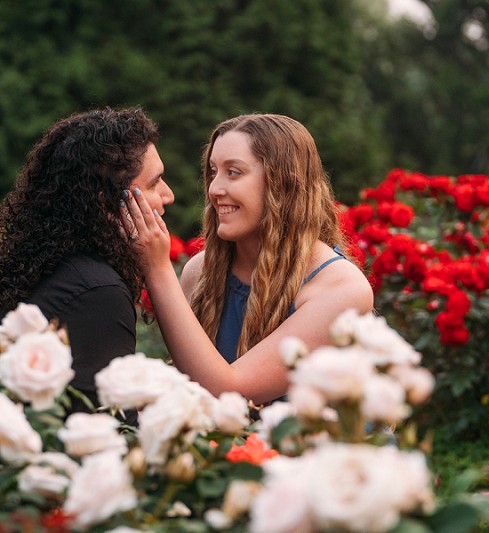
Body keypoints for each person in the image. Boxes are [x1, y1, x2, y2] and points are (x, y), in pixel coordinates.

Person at [0, 106, 174, 414]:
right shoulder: (99, 292)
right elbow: (106, 427)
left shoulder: (27, 264)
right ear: (108, 203)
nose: (169, 195)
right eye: (154, 183)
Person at [123, 113, 373, 404]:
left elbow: (232, 393)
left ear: (283, 184)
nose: (215, 189)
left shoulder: (340, 289)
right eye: (214, 171)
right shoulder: (200, 273)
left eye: (234, 172)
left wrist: (158, 270)